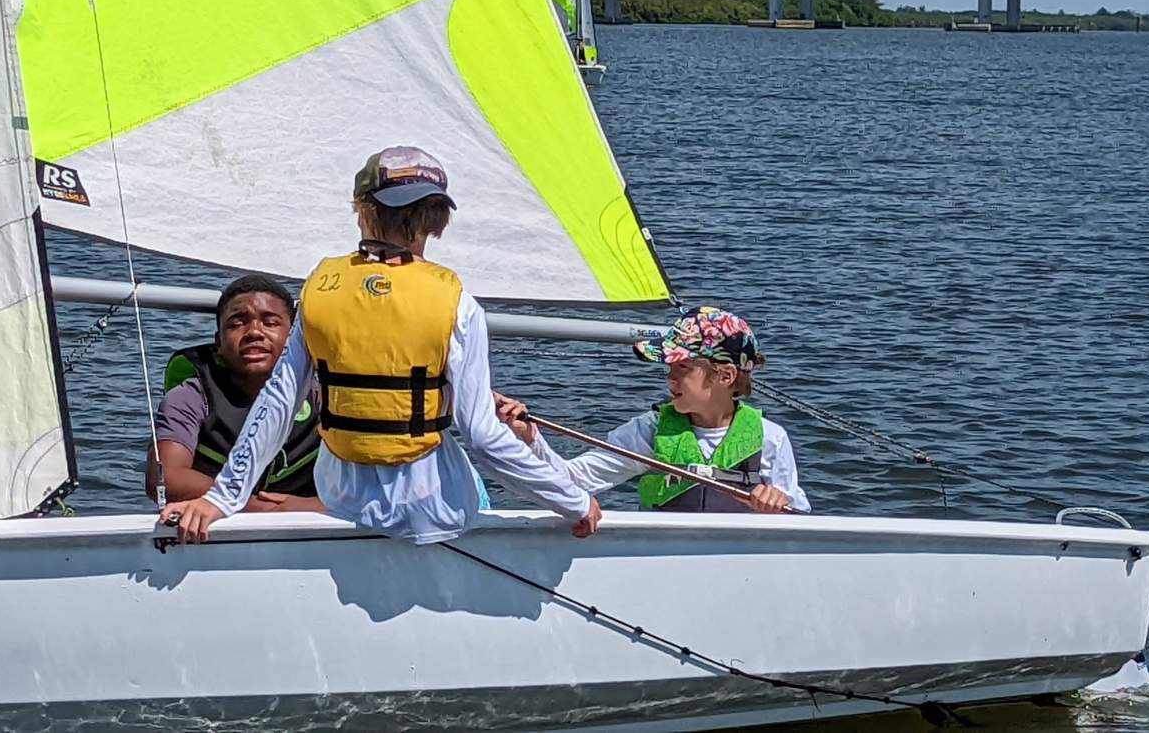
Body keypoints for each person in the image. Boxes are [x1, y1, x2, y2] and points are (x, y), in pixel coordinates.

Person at [160, 146, 601, 543]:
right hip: (430, 509)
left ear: (362, 210)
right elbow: (483, 437)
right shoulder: (458, 305)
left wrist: (222, 498)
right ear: (437, 219)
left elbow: (278, 401)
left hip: (339, 499)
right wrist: (573, 500)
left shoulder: (321, 289)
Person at [496, 307, 810, 514]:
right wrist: (529, 438)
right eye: (668, 367)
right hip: (666, 566)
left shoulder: (770, 439)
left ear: (725, 376)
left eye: (683, 368)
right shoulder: (649, 430)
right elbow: (573, 480)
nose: (670, 378)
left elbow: (799, 518)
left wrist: (779, 504)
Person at [146, 274, 325, 513]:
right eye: (237, 323)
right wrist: (260, 510)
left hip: (311, 529)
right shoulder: (190, 398)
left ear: (294, 337)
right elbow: (165, 478)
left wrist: (313, 507)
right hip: (215, 527)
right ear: (218, 343)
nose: (254, 332)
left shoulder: (324, 397)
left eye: (270, 322)